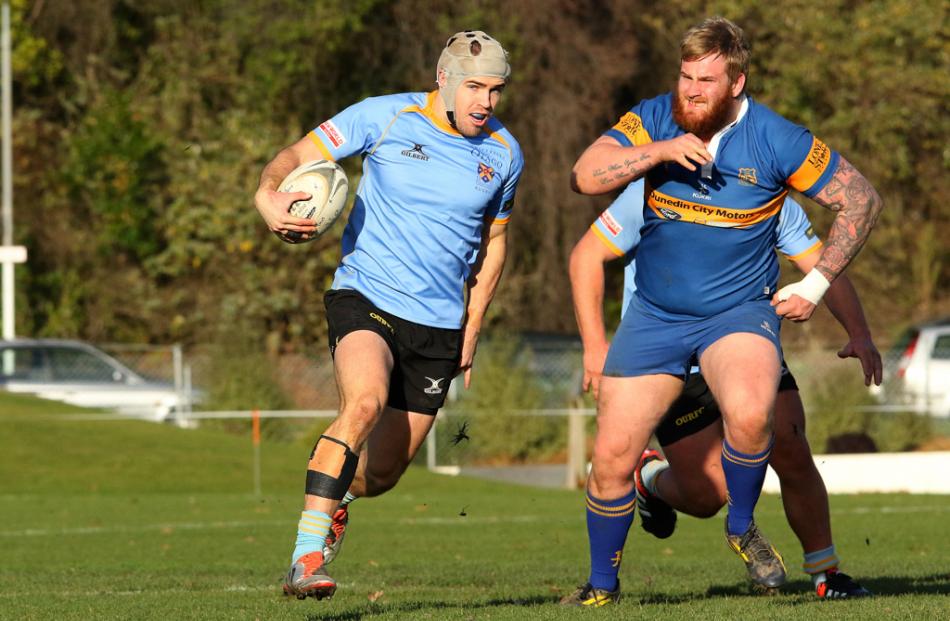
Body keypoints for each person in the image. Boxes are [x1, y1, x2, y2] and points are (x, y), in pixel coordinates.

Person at [563, 16, 883, 605]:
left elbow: (861, 198)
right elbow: (585, 175)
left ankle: (755, 532)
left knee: (761, 417)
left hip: (737, 314)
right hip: (655, 318)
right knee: (610, 458)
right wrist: (657, 150)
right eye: (685, 76)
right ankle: (600, 589)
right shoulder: (656, 118)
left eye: (705, 79)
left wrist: (821, 295)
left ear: (736, 82)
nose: (691, 90)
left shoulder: (777, 145)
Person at [253, 30, 523, 601]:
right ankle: (306, 556)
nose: (486, 102)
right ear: (443, 79)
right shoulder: (385, 117)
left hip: (440, 327)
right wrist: (267, 192)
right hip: (366, 297)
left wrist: (472, 326)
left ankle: (336, 499)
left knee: (381, 476)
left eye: (496, 90)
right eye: (475, 86)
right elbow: (299, 154)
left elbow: (495, 244)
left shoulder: (505, 153)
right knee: (364, 403)